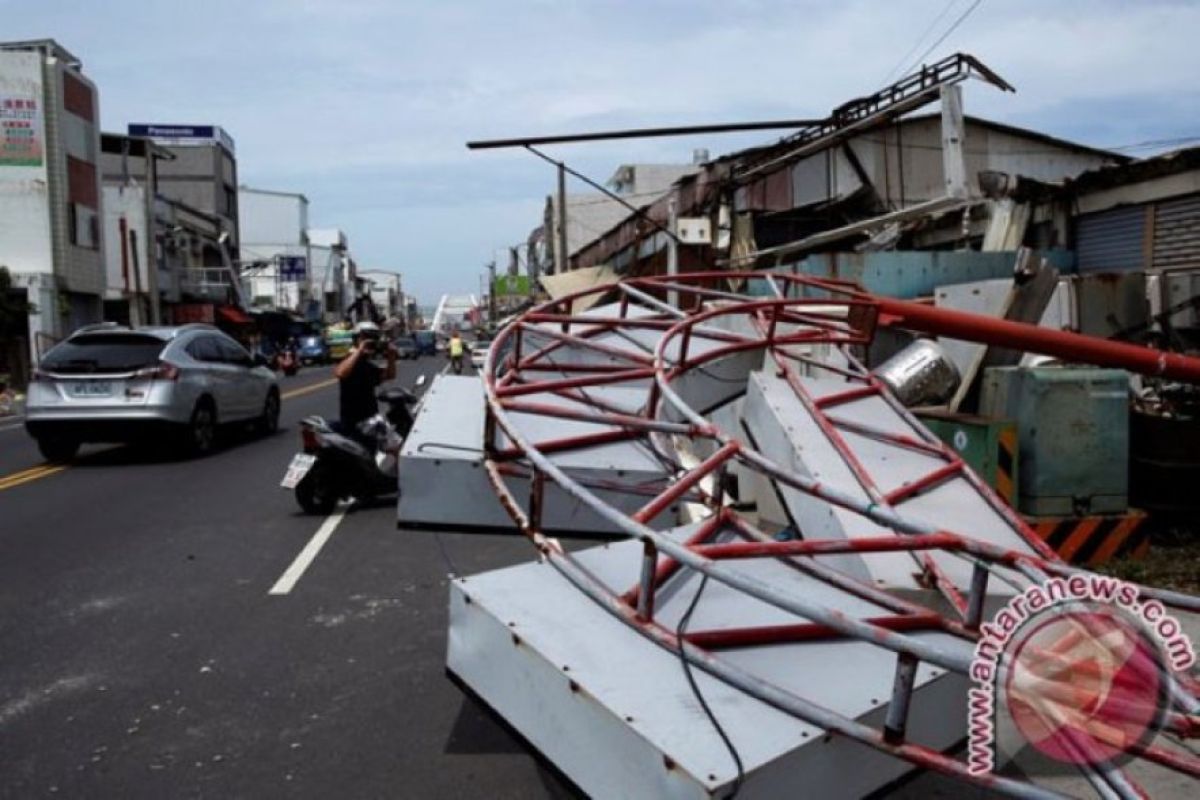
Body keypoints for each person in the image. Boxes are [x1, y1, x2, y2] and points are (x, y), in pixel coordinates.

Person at [333, 321, 397, 437]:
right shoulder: (350, 360)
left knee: (392, 444)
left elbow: (389, 375)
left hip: (371, 420)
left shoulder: (368, 366)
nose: (370, 342)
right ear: (356, 340)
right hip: (352, 422)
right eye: (365, 338)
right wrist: (360, 349)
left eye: (373, 338)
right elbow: (340, 373)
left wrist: (391, 356)